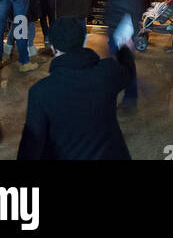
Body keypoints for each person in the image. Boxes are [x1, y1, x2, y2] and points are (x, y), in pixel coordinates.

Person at [17, 17, 134, 160]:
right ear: (83, 41)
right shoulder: (108, 72)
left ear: (53, 49)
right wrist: (124, 47)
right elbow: (129, 71)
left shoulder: (40, 92)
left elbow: (31, 145)